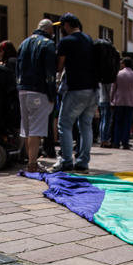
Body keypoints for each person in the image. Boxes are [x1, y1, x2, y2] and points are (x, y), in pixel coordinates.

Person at [52, 13, 99, 173]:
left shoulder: (65, 42)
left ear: (66, 25)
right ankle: (83, 162)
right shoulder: (88, 39)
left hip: (75, 90)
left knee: (64, 125)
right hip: (93, 90)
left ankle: (66, 162)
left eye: (60, 27)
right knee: (86, 126)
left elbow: (59, 67)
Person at [16, 19, 56, 173]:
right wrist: (52, 93)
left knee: (26, 128)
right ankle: (33, 163)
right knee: (36, 129)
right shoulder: (48, 44)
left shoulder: (24, 43)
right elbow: (50, 73)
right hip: (39, 90)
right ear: (50, 31)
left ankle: (30, 161)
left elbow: (18, 68)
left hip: (23, 90)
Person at [111, 57, 133, 149]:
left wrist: (111, 100)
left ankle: (116, 142)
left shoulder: (118, 74)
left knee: (118, 122)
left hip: (119, 100)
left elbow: (113, 89)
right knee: (127, 123)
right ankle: (125, 142)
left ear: (123, 64)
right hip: (130, 101)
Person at [99, 81, 112, 147]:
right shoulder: (107, 81)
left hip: (101, 100)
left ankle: (102, 138)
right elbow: (110, 92)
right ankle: (105, 139)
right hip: (107, 101)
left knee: (102, 121)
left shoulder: (100, 81)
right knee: (106, 121)